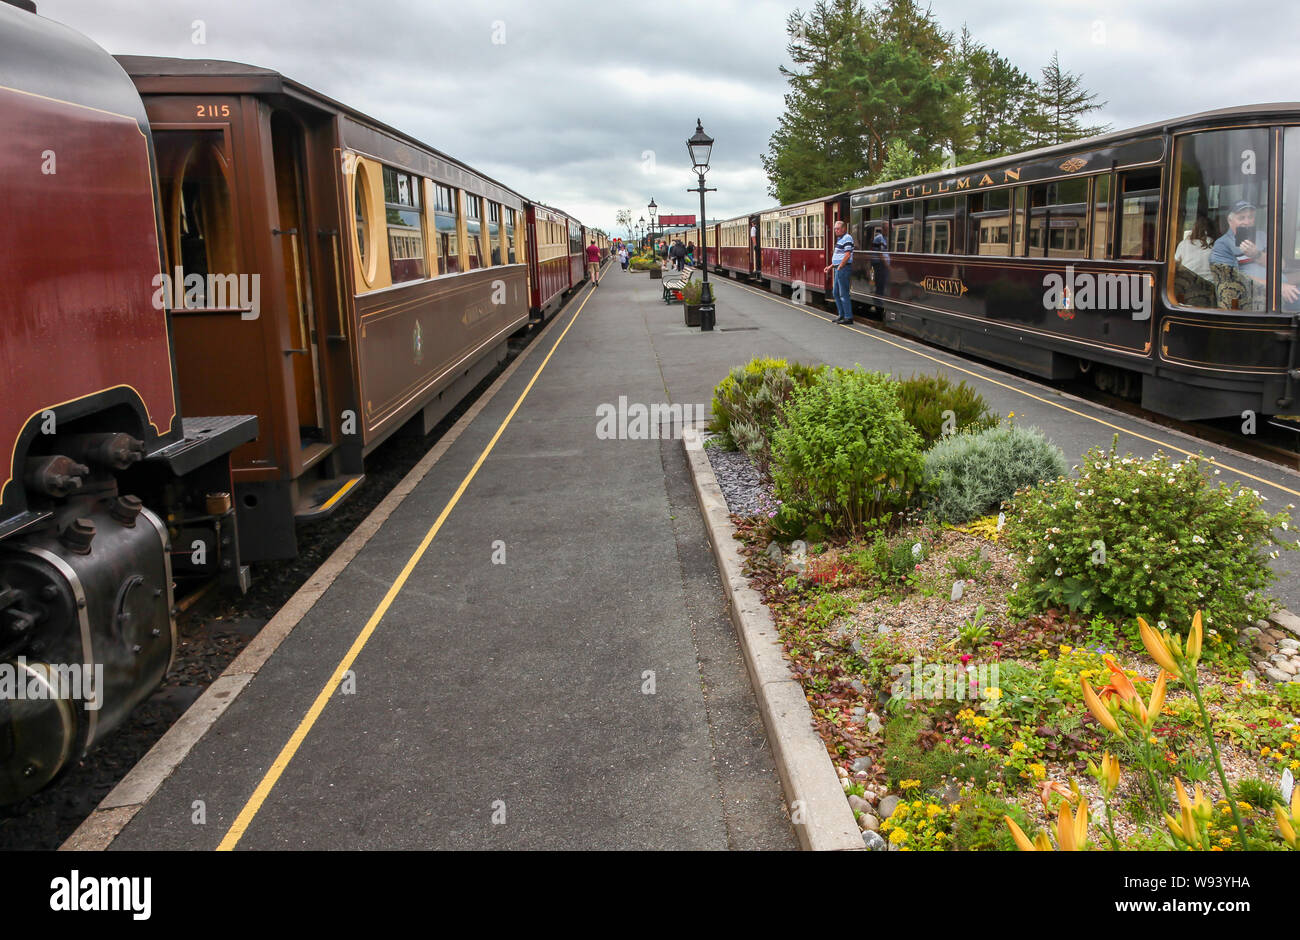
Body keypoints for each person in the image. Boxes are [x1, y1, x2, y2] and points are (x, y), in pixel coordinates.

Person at [824, 219, 854, 324]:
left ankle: (848, 317)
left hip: (844, 269)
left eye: (838, 228)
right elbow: (838, 256)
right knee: (835, 293)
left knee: (843, 293)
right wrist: (830, 266)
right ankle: (841, 315)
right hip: (838, 268)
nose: (836, 230)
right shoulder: (840, 239)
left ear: (844, 228)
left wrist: (841, 266)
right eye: (835, 229)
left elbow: (847, 254)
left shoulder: (847, 238)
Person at [870, 220, 890, 314]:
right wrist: (887, 265)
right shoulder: (879, 238)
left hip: (883, 265)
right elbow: (880, 254)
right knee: (880, 284)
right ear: (883, 229)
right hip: (879, 265)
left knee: (883, 284)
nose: (888, 230)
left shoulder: (886, 238)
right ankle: (878, 304)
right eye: (886, 229)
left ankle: (880, 302)